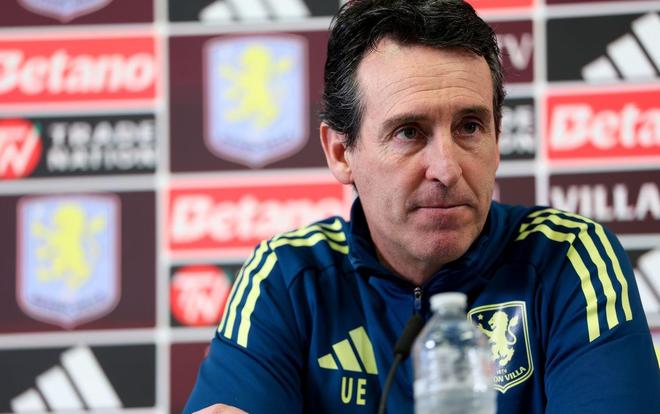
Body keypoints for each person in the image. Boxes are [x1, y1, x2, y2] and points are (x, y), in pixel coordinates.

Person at [184, 1, 660, 413]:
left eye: (470, 127)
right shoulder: (288, 278)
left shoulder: (568, 258)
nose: (447, 169)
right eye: (409, 132)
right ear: (341, 153)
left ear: (498, 139)